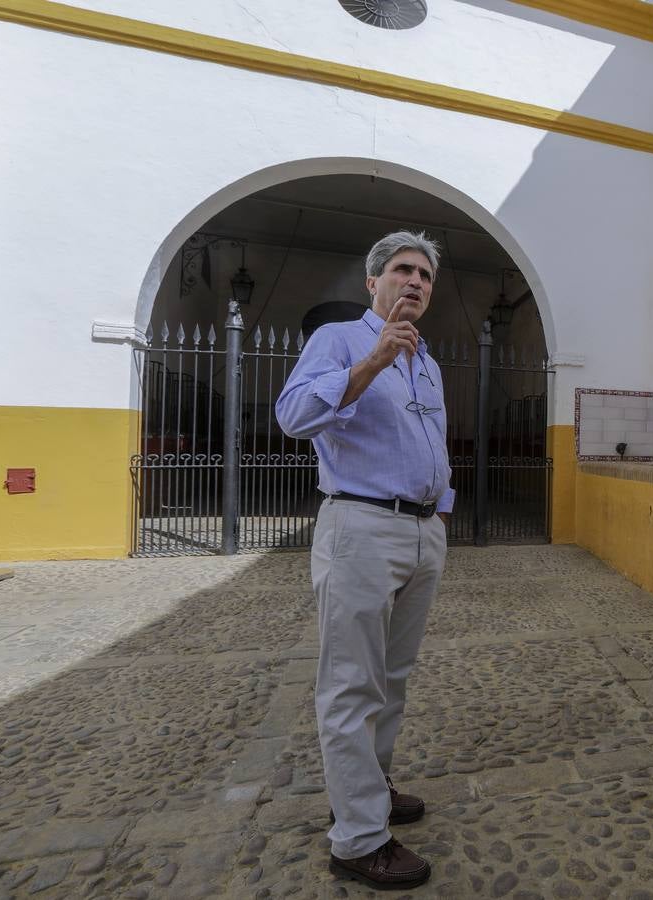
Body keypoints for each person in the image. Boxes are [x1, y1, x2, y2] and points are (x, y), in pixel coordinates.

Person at [275, 230, 453, 891]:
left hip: (420, 533)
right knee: (352, 683)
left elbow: (430, 442)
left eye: (424, 275)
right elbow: (293, 415)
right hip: (360, 527)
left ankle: (366, 790)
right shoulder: (342, 340)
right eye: (401, 270)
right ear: (371, 283)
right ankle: (357, 839)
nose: (414, 281)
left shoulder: (429, 361)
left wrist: (442, 508)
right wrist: (373, 361)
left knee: (393, 678)